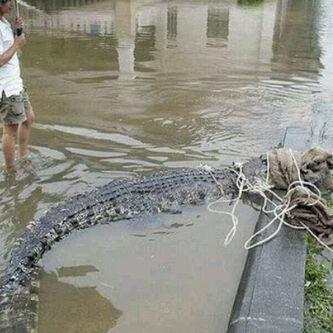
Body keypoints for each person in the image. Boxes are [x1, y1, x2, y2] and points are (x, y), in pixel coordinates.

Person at [0, 0, 34, 174]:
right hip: (6, 87)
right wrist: (16, 44)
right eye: (8, 2)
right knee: (10, 130)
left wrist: (19, 31)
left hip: (16, 82)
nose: (12, 5)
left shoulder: (4, 22)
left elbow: (20, 43)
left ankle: (23, 156)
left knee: (28, 118)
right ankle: (10, 170)